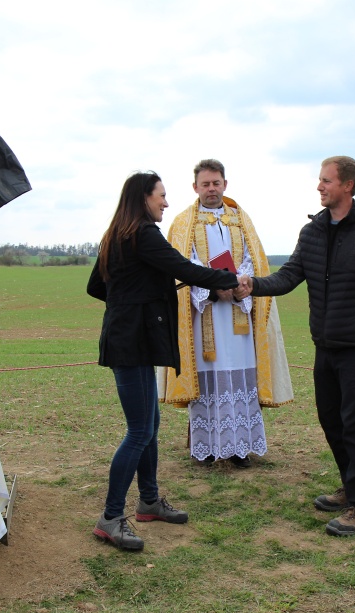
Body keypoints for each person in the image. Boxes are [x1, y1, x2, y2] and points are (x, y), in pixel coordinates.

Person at [237, 156, 355, 536]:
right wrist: (253, 284)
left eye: (326, 180)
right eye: (319, 180)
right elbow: (291, 274)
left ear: (348, 185)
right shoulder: (312, 231)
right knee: (331, 419)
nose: (319, 187)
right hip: (324, 344)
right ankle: (350, 485)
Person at [86, 171, 239, 551]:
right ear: (144, 198)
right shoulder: (142, 232)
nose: (166, 203)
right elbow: (182, 268)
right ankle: (110, 517)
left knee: (149, 425)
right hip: (132, 342)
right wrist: (228, 278)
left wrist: (131, 297)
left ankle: (150, 501)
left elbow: (96, 286)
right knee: (139, 431)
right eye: (161, 196)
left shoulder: (116, 234)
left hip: (129, 337)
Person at [160, 159, 293, 468]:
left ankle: (240, 448)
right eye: (205, 184)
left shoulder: (241, 219)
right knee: (209, 382)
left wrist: (238, 284)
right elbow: (182, 265)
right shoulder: (183, 223)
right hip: (203, 314)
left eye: (216, 183)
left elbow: (252, 259)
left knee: (240, 378)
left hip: (238, 314)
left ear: (225, 184)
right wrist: (212, 286)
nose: (211, 189)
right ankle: (206, 448)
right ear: (195, 187)